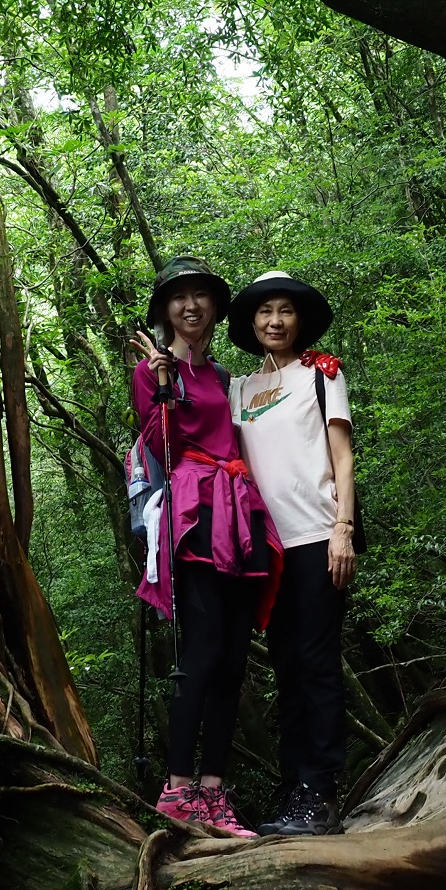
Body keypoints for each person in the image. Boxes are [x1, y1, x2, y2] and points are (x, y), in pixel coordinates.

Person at [129, 255, 282, 838]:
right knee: (200, 654)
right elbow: (161, 445)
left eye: (200, 296)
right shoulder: (152, 371)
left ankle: (214, 792)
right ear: (165, 310)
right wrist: (164, 381)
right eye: (178, 298)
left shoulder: (221, 377)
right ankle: (176, 790)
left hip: (240, 513)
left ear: (214, 308)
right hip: (195, 517)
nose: (191, 306)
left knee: (233, 661)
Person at [226, 270, 357, 836]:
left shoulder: (322, 374)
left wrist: (344, 528)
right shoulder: (239, 390)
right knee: (286, 668)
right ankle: (293, 785)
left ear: (299, 320)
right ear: (251, 323)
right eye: (263, 312)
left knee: (318, 664)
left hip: (319, 535)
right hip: (268, 548)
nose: (274, 321)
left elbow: (343, 457)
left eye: (284, 311)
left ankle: (321, 790)